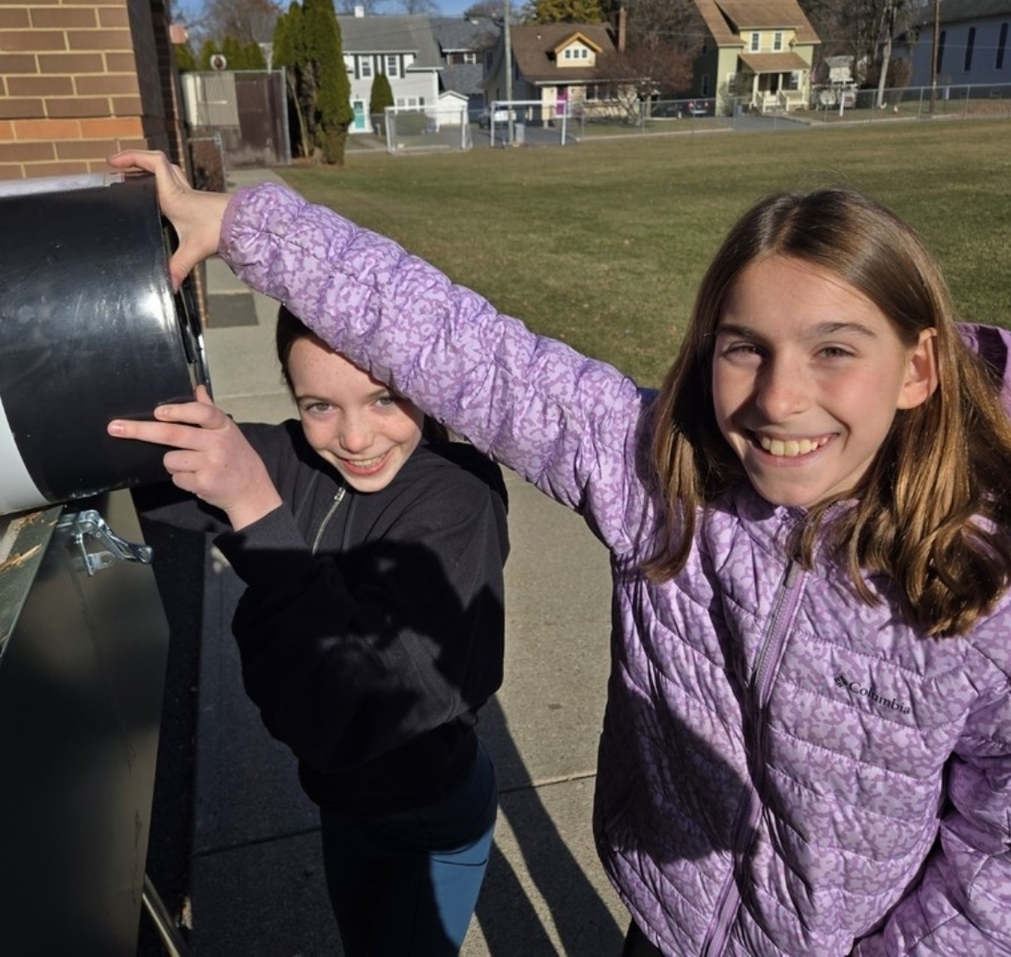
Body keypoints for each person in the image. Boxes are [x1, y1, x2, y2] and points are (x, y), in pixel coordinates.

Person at [108, 150, 1011, 957]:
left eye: (834, 350)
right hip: (668, 922)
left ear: (918, 369)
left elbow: (997, 852)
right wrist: (239, 225)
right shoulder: (655, 475)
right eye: (745, 348)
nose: (780, 398)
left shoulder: (982, 579)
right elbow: (474, 352)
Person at [113, 304, 509, 956]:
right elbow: (155, 464)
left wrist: (254, 507)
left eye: (384, 398)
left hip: (428, 811)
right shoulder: (301, 461)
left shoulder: (455, 501)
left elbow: (358, 705)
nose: (354, 438)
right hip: (343, 801)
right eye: (319, 405)